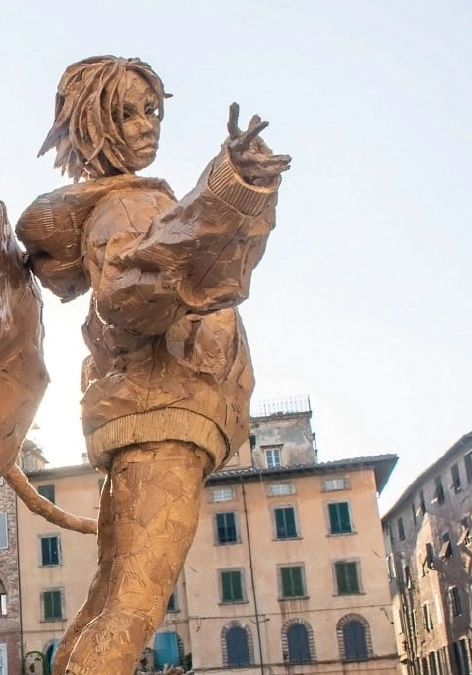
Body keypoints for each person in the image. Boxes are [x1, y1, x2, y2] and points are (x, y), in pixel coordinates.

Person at [15, 56, 290, 675]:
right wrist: (226, 191)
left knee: (109, 607)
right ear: (96, 124)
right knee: (133, 611)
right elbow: (127, 295)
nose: (147, 126)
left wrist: (234, 193)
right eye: (128, 113)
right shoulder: (124, 210)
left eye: (153, 111)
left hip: (155, 416)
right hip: (163, 415)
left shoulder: (129, 204)